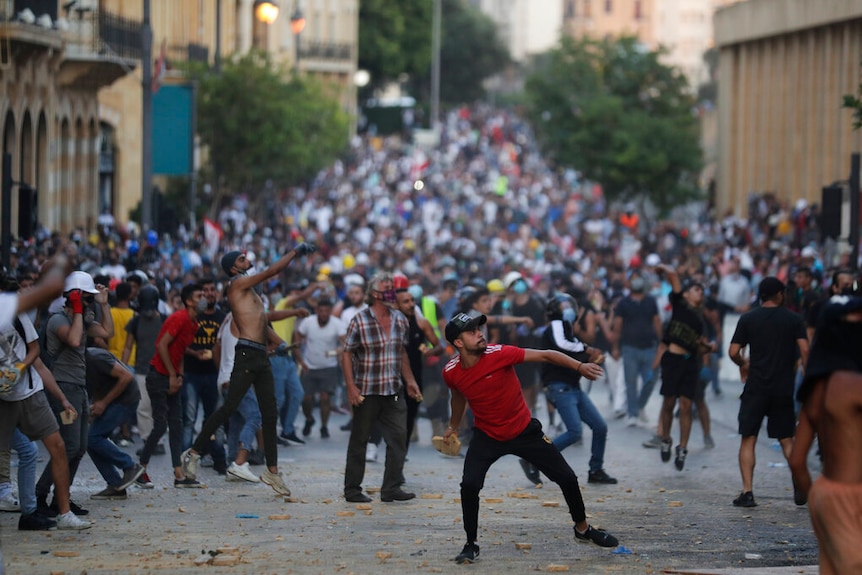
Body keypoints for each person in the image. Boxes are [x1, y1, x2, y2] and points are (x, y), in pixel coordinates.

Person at [440, 313, 619, 564]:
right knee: (469, 486)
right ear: (458, 343)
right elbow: (458, 396)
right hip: (487, 436)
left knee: (566, 477)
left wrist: (580, 366)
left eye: (478, 329)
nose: (480, 333)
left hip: (523, 430)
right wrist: (454, 426)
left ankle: (583, 529)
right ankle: (471, 544)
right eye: (472, 332)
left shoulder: (499, 353)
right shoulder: (451, 372)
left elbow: (547, 354)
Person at [182, 244, 316, 496]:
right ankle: (193, 452)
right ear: (234, 267)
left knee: (270, 413)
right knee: (229, 407)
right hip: (246, 355)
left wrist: (280, 342)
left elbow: (264, 321)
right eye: (243, 259)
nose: (247, 260)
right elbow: (273, 270)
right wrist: (295, 252)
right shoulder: (237, 285)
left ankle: (272, 472)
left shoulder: (250, 292)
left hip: (259, 356)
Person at [789, 295, 862, 575]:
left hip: (825, 493)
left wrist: (817, 501)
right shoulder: (853, 384)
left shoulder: (817, 390)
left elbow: (797, 460)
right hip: (851, 497)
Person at [36, 271, 114, 517]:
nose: (89, 302)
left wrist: (104, 305)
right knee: (68, 446)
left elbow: (106, 333)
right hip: (62, 385)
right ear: (73, 297)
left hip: (78, 386)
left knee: (79, 447)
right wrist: (79, 310)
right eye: (85, 297)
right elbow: (72, 339)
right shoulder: (58, 320)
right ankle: (42, 492)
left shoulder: (83, 316)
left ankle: (62, 499)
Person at [727, 276, 808, 507]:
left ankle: (747, 492)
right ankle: (800, 483)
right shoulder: (794, 320)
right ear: (780, 294)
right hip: (783, 388)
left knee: (748, 438)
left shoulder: (749, 318)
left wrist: (744, 364)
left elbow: (733, 351)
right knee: (786, 439)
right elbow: (804, 349)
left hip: (756, 388)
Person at [341, 273, 422, 503]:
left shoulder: (400, 320)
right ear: (375, 294)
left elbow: (401, 352)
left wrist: (410, 380)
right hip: (367, 390)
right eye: (387, 289)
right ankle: (352, 489)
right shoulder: (360, 320)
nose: (391, 294)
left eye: (392, 290)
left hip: (393, 389)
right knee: (359, 440)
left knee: (398, 438)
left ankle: (391, 488)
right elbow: (346, 354)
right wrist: (351, 387)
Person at [138, 283, 206, 487]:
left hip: (170, 376)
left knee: (175, 425)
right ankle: (140, 469)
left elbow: (180, 351)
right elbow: (161, 346)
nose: (203, 297)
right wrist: (171, 375)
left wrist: (179, 377)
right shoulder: (180, 318)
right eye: (199, 294)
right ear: (189, 301)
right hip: (158, 376)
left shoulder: (193, 324)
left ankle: (178, 474)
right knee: (160, 426)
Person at [653, 264, 716, 472]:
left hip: (690, 363)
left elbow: (698, 346)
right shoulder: (679, 302)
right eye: (697, 289)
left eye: (702, 291)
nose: (701, 293)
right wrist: (661, 267)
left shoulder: (699, 320)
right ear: (687, 293)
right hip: (673, 360)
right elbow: (672, 275)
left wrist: (707, 348)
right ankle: (666, 439)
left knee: (687, 406)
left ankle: (682, 448)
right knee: (669, 403)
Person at [84, 347, 144, 499]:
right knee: (90, 441)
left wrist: (103, 403)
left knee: (93, 438)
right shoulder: (87, 363)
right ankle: (115, 485)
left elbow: (126, 377)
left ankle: (130, 466)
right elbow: (98, 385)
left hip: (126, 400)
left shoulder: (95, 357)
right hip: (115, 401)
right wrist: (97, 407)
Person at [180, 277, 227, 474]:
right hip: (192, 374)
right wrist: (194, 353)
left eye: (212, 290)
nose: (209, 294)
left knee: (214, 419)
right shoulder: (192, 317)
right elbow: (181, 344)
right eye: (205, 291)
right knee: (189, 419)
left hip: (214, 376)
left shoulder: (223, 318)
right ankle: (184, 462)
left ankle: (218, 459)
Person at [613, 273, 662, 425]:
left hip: (649, 347)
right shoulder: (623, 303)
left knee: (651, 379)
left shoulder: (650, 301)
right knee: (630, 381)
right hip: (630, 348)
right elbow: (618, 326)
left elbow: (657, 322)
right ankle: (632, 413)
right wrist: (615, 346)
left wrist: (662, 342)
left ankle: (640, 405)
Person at [294, 298, 346, 439]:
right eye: (321, 311)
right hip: (309, 365)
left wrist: (340, 350)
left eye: (327, 311)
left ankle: (324, 426)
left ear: (330, 312)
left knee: (325, 398)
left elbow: (345, 341)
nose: (324, 314)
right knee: (306, 398)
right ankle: (309, 418)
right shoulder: (308, 322)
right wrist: (300, 359)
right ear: (316, 311)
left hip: (329, 366)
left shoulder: (337, 324)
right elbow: (298, 336)